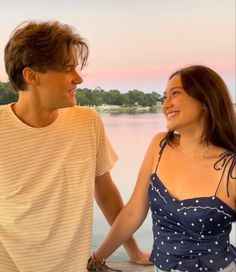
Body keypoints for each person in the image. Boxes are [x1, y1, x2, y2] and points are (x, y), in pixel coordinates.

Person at [0, 20, 150, 272]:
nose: (78, 78)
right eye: (67, 68)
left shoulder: (87, 121)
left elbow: (105, 191)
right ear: (31, 75)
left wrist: (133, 250)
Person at [88, 65, 236, 272]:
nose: (165, 105)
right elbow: (133, 213)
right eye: (164, 96)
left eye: (175, 94)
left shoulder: (231, 169)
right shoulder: (160, 146)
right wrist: (96, 259)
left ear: (205, 100)